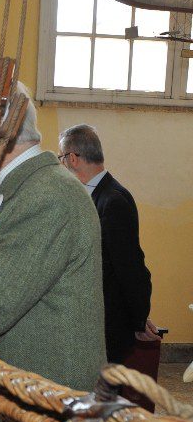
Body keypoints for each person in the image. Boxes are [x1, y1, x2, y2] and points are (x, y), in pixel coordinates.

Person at [0, 81, 105, 390]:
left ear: (1, 128)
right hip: (25, 397)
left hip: (47, 406)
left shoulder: (47, 195)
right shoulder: (19, 189)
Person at [58, 124, 158, 363]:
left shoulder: (112, 201)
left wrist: (138, 317)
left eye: (61, 158)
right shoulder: (94, 195)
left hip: (109, 323)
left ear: (72, 158)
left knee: (103, 393)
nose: (62, 164)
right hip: (94, 318)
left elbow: (130, 265)